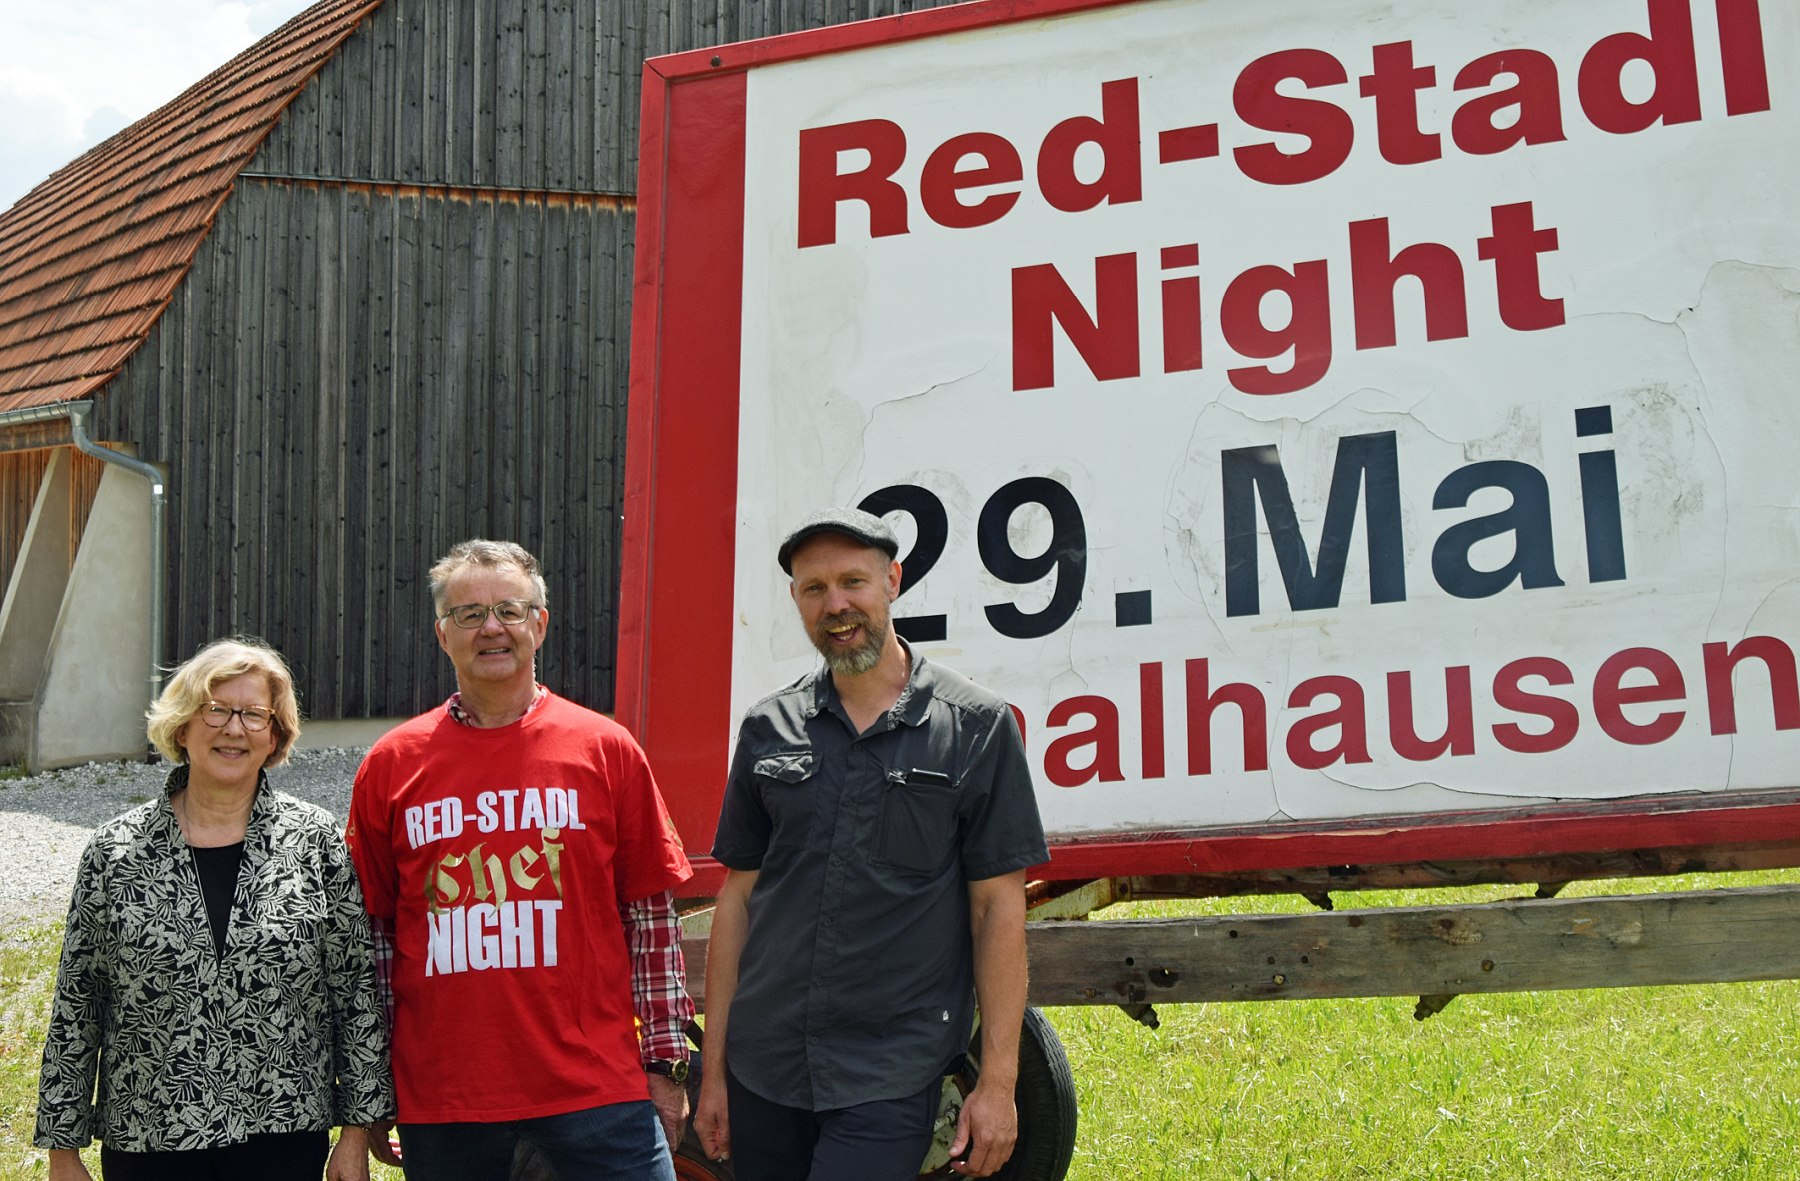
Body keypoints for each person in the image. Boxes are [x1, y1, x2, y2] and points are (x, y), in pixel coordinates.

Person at [693, 507, 1050, 1181]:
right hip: (765, 1064)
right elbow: (737, 902)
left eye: (853, 581)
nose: (836, 605)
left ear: (892, 581)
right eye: (815, 588)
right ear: (796, 599)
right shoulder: (768, 728)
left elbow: (997, 910)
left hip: (889, 1067)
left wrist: (999, 1083)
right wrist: (714, 1071)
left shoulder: (975, 728)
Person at [346, 539, 695, 1181]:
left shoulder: (606, 749)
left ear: (540, 624)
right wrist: (374, 1087)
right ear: (442, 634)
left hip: (597, 1090)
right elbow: (377, 941)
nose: (492, 628)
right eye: (469, 614)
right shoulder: (392, 765)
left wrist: (665, 1062)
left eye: (509, 609)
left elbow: (650, 916)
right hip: (446, 1098)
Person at [35, 637, 394, 1181]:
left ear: (275, 735)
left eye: (254, 714)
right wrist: (63, 1153)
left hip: (283, 1133)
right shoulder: (115, 852)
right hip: (150, 1136)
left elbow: (355, 994)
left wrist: (355, 1133)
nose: (234, 728)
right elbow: (79, 1005)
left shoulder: (316, 843)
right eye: (216, 710)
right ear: (182, 726)